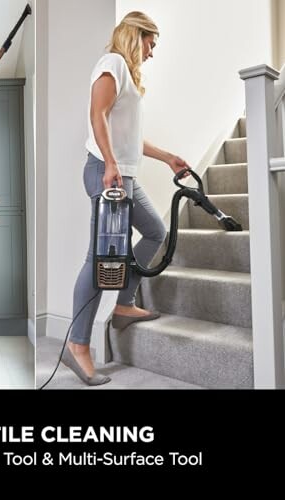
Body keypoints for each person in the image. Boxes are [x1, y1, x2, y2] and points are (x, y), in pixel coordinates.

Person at [63, 11, 190, 385]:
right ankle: (77, 345)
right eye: (152, 44)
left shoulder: (128, 77)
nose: (152, 53)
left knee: (155, 232)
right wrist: (109, 164)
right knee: (99, 258)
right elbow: (96, 114)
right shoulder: (113, 63)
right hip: (107, 173)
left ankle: (123, 303)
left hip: (122, 174)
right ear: (139, 35)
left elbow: (129, 137)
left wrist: (168, 157)